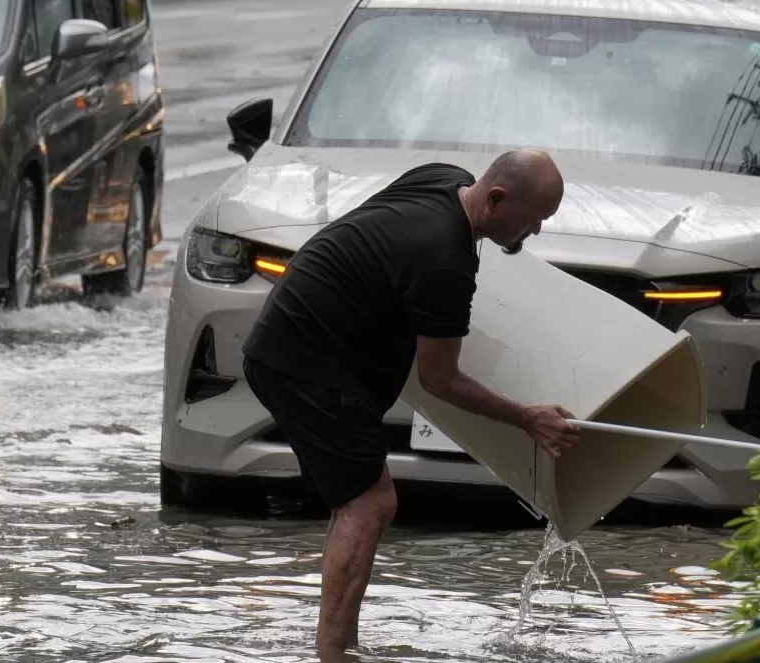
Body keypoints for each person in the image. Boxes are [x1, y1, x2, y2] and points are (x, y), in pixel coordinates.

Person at [241, 148, 583, 654]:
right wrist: (527, 418)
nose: (533, 232)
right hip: (305, 360)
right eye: (533, 220)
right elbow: (441, 380)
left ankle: (336, 644)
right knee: (369, 502)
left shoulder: (444, 180)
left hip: (299, 338)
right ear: (496, 198)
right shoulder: (444, 258)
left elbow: (377, 244)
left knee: (357, 500)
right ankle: (335, 651)